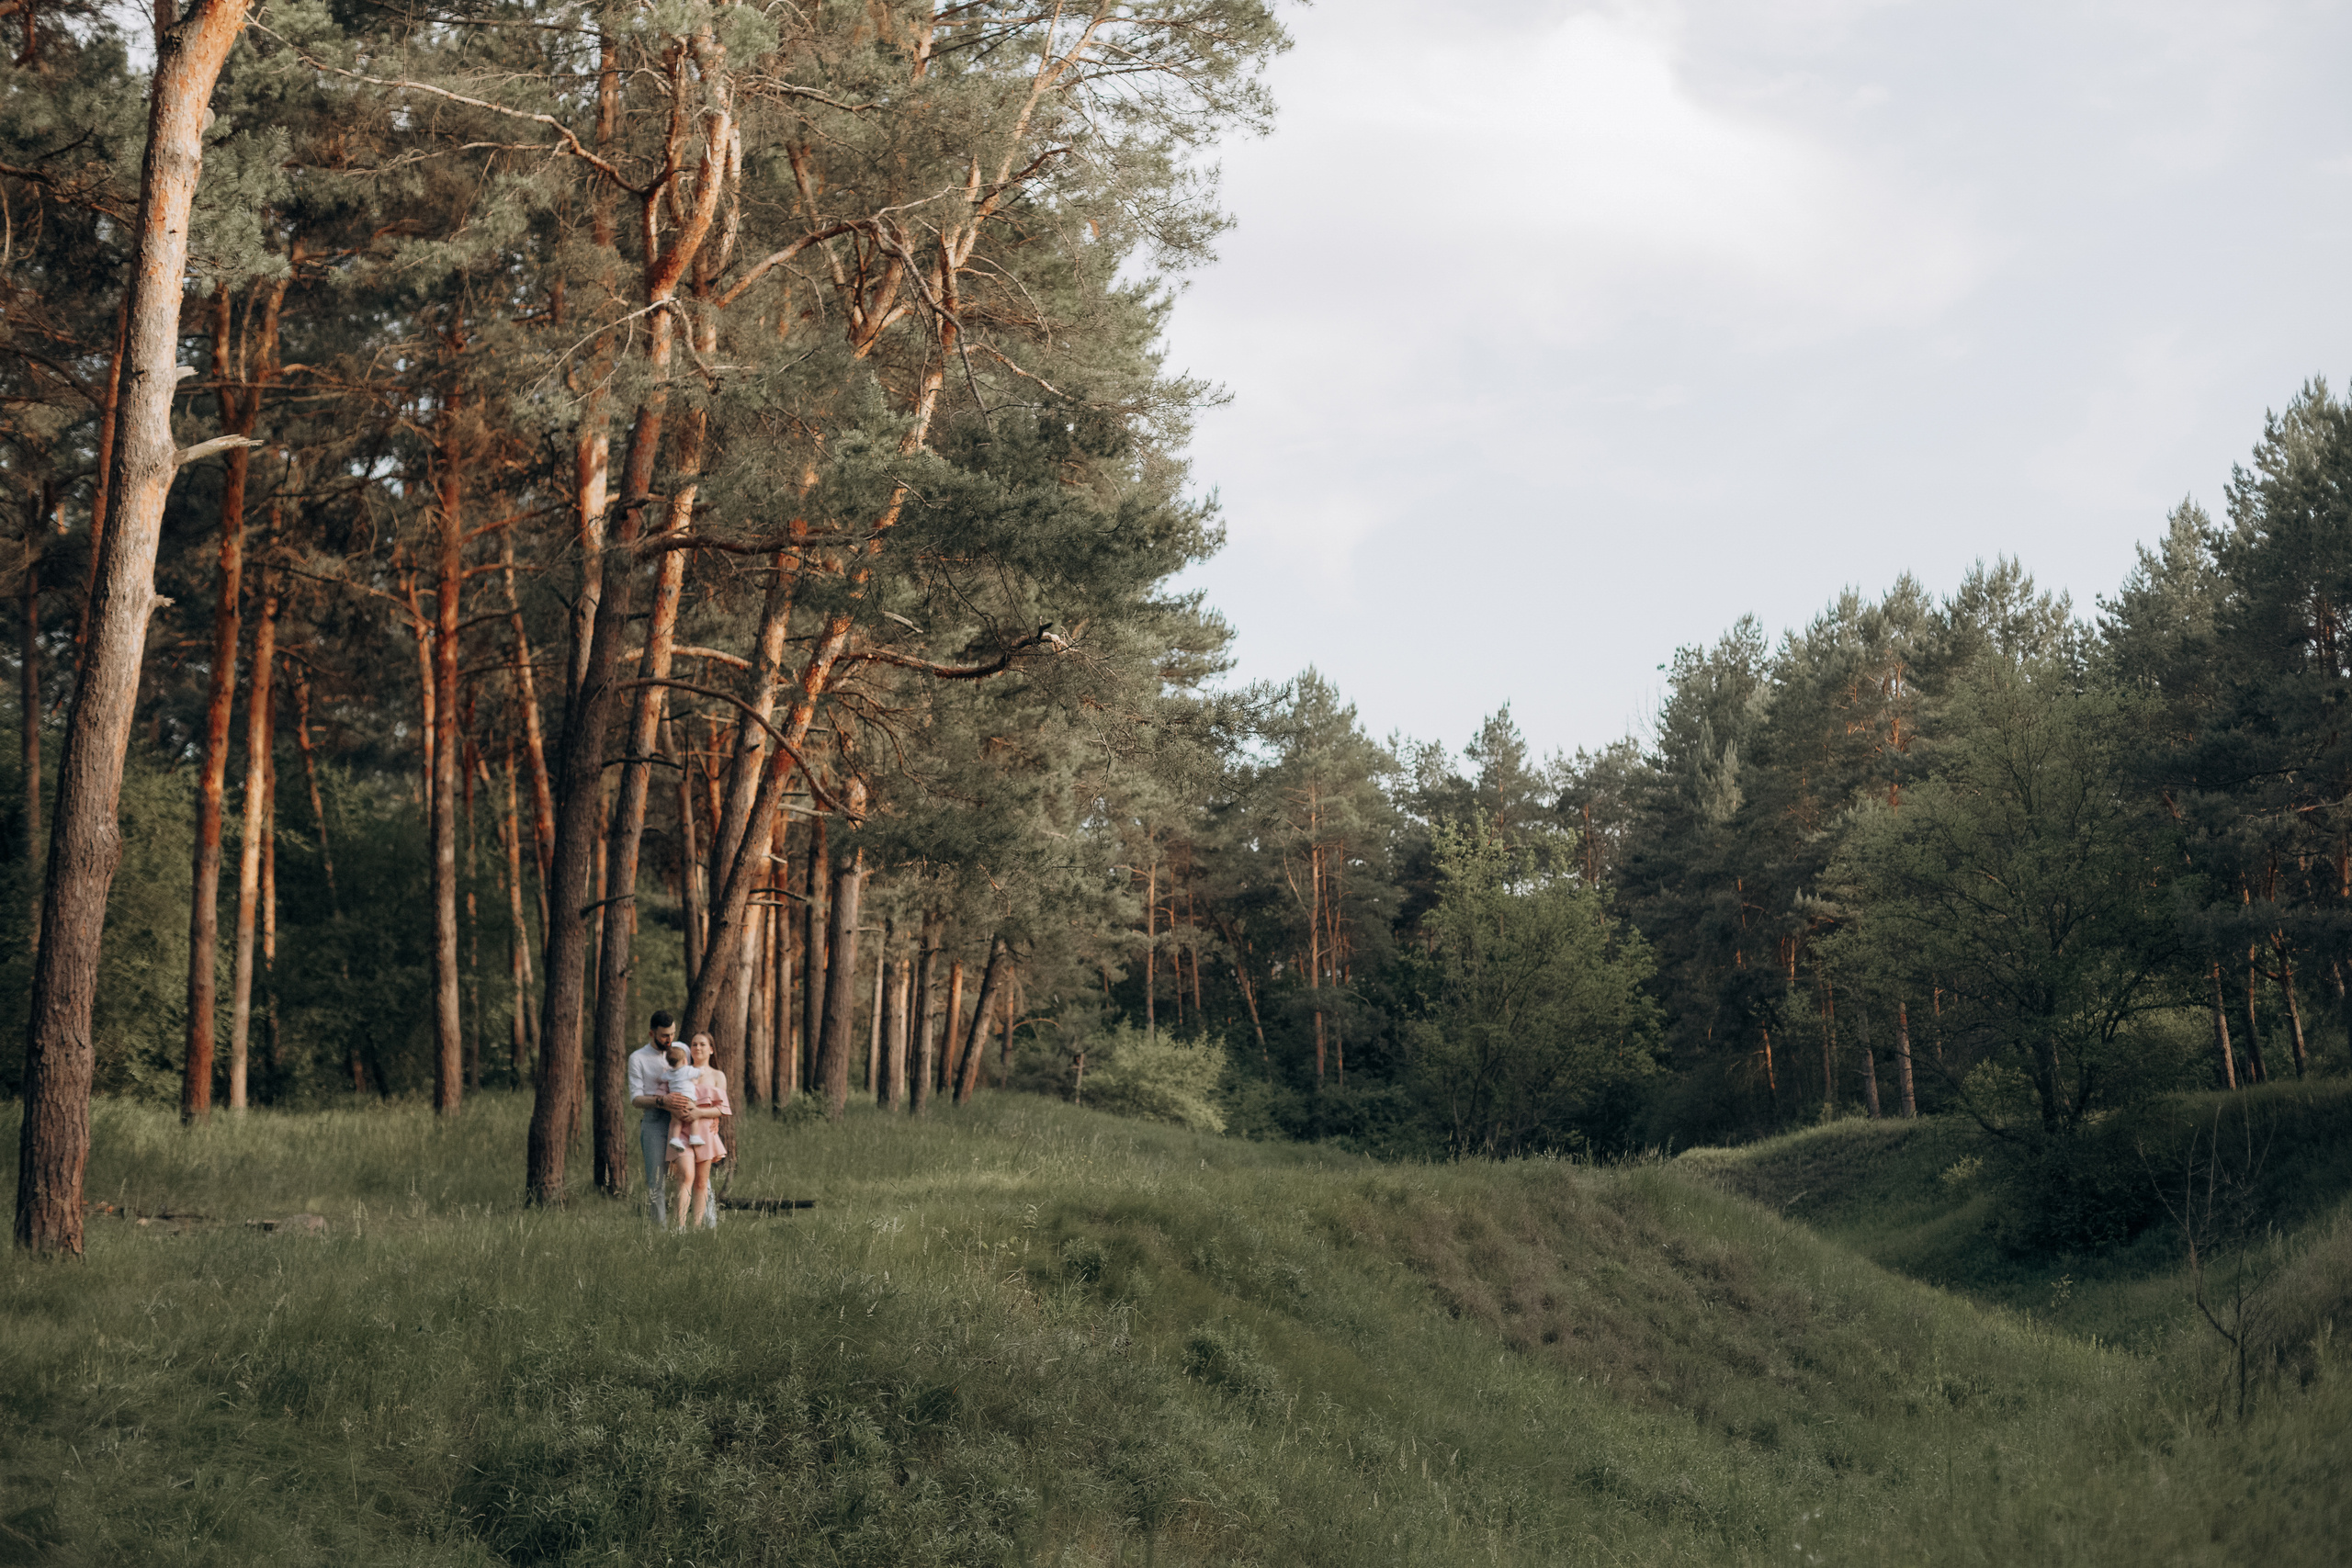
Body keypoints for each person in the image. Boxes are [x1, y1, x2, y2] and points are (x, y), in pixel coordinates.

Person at [626, 1011, 692, 1226]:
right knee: (656, 1181)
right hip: (655, 1122)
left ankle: (699, 1225)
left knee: (692, 1175)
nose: (669, 1040)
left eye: (672, 1034)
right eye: (664, 1036)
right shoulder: (638, 1058)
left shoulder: (682, 1050)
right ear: (651, 1033)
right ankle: (660, 1232)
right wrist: (663, 1101)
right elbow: (636, 1099)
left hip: (684, 1119)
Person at [673, 1032, 732, 1231]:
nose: (697, 1048)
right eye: (694, 1044)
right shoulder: (682, 1070)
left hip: (706, 1132)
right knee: (686, 1176)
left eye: (703, 1044)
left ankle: (697, 1227)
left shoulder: (717, 1075)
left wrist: (700, 1112)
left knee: (701, 1182)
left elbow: (722, 1109)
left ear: (711, 1049)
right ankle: (678, 1228)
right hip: (681, 1130)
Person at [662, 1040, 706, 1154]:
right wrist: (702, 1070)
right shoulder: (687, 1070)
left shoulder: (669, 1074)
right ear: (684, 1060)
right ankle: (694, 1136)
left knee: (676, 1121)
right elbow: (699, 1073)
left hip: (675, 1101)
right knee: (693, 1117)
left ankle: (675, 1139)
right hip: (687, 1098)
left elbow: (662, 1078)